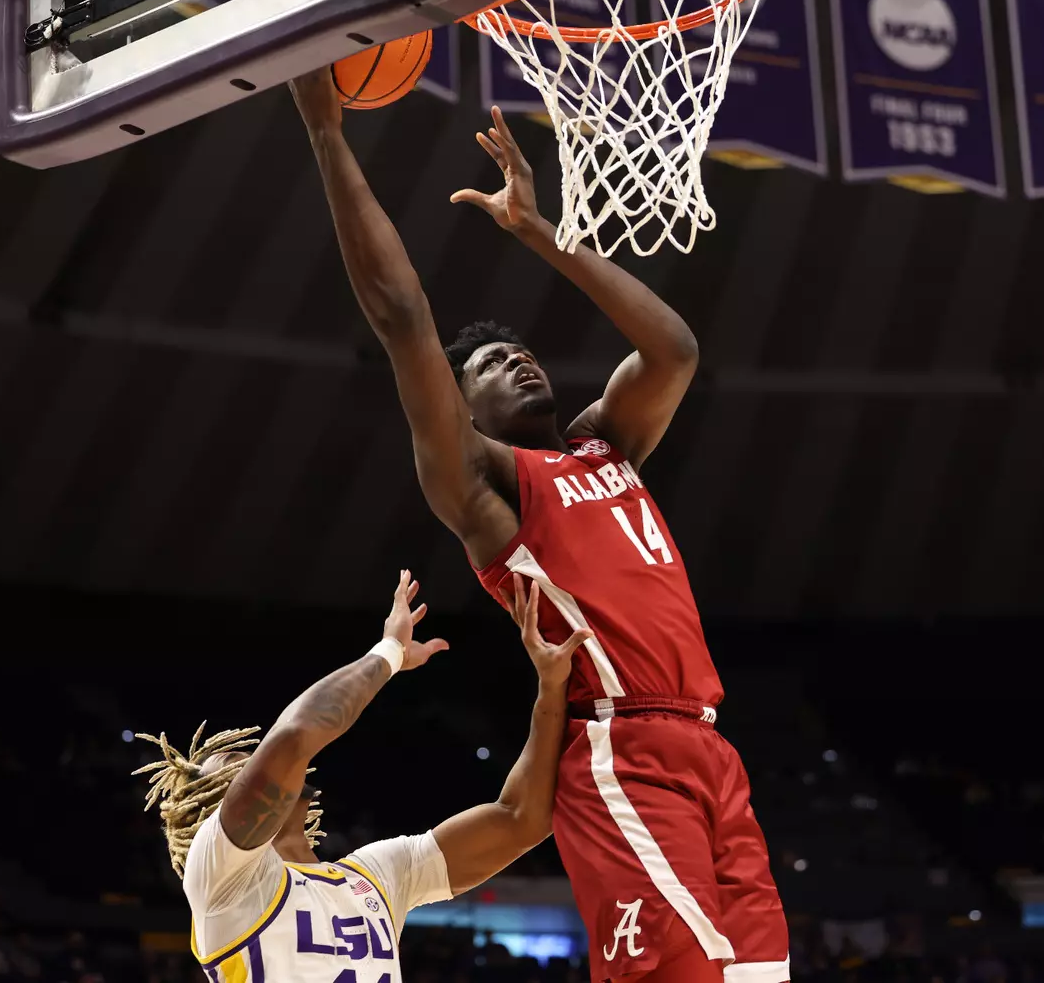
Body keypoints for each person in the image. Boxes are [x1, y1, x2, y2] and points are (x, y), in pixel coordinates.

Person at [290, 69, 790, 983]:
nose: (514, 358)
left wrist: (540, 232)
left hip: (712, 749)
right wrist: (326, 128)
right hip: (617, 748)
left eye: (518, 350)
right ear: (465, 410)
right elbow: (403, 317)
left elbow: (674, 348)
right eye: (486, 364)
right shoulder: (485, 485)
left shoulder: (607, 446)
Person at [132, 570, 587, 983]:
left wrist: (552, 689)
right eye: (234, 769)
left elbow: (522, 818)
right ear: (213, 816)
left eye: (248, 758)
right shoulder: (222, 880)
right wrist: (388, 652)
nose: (251, 764)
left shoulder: (377, 875)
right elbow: (293, 737)